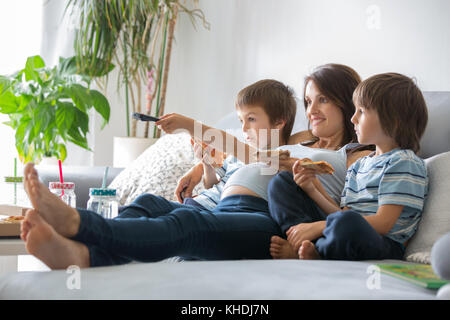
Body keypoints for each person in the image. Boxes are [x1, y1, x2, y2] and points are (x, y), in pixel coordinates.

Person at [20, 65, 369, 269]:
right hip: (223, 205)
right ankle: (83, 255)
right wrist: (203, 170)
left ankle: (80, 224)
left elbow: (263, 160)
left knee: (187, 223)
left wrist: (193, 125)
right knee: (149, 205)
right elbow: (251, 150)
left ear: (348, 102)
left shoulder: (353, 155)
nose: (312, 109)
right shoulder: (297, 138)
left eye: (322, 99)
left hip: (264, 221)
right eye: (308, 101)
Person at [278, 73, 429, 261]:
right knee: (282, 182)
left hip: (383, 242)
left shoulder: (404, 162)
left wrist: (320, 226)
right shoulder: (359, 165)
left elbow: (383, 223)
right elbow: (340, 214)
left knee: (349, 223)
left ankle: (319, 250)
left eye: (361, 112)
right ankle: (299, 240)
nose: (353, 119)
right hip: (343, 230)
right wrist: (311, 189)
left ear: (394, 120)